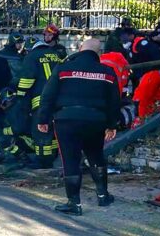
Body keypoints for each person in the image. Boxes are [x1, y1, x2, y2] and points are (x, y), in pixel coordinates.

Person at [37, 38, 121, 216]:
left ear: (81, 49)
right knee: (96, 155)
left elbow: (48, 96)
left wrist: (43, 119)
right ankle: (103, 195)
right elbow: (114, 101)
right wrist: (112, 125)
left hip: (66, 120)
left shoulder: (63, 69)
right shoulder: (107, 72)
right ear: (99, 53)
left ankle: (74, 203)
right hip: (95, 120)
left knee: (70, 160)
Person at [14, 40, 62, 168]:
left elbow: (27, 79)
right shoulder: (55, 54)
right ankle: (53, 154)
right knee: (53, 129)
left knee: (40, 130)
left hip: (40, 101)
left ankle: (42, 160)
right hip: (58, 100)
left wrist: (19, 95)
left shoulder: (32, 57)